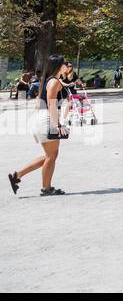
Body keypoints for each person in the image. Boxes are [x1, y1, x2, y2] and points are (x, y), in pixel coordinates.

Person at [9, 54, 75, 197]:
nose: (67, 66)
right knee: (51, 156)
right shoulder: (54, 82)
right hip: (47, 119)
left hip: (41, 118)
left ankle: (17, 175)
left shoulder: (48, 81)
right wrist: (57, 124)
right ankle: (46, 188)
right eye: (65, 64)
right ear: (58, 66)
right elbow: (51, 103)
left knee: (50, 155)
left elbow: (40, 103)